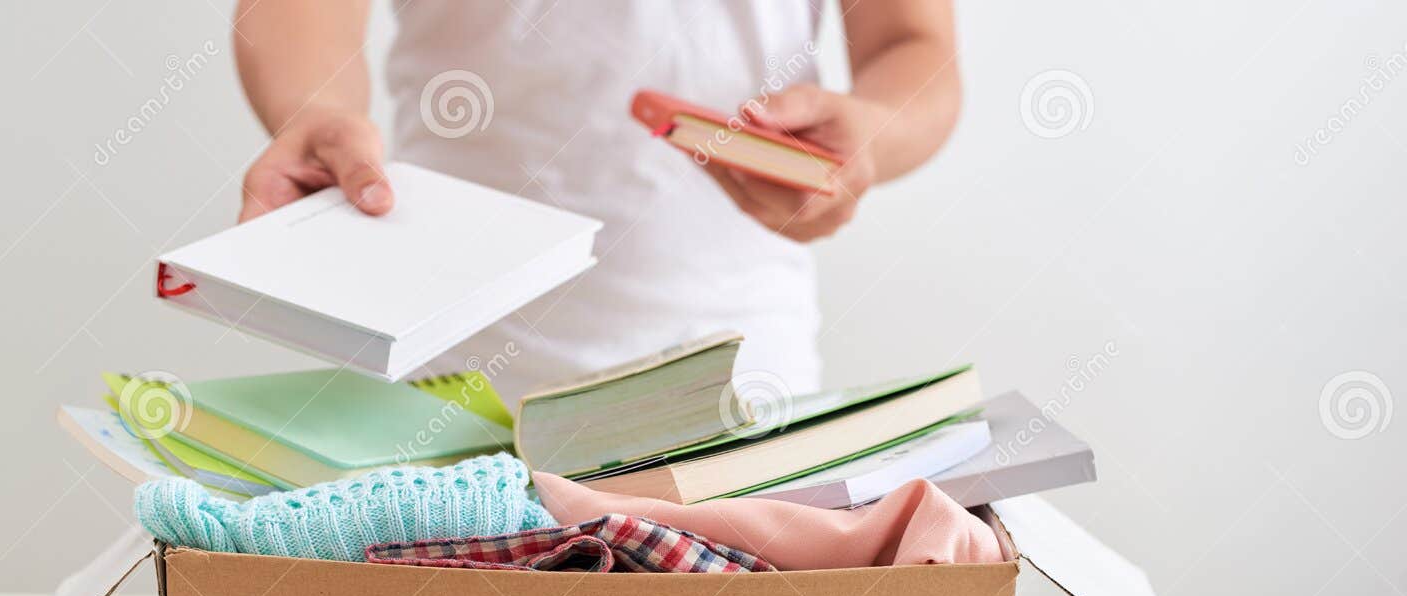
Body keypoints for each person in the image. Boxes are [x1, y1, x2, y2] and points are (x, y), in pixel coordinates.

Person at [234, 0, 959, 404]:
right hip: (441, 371)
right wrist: (314, 112)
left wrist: (870, 136)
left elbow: (912, 41)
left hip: (740, 375)